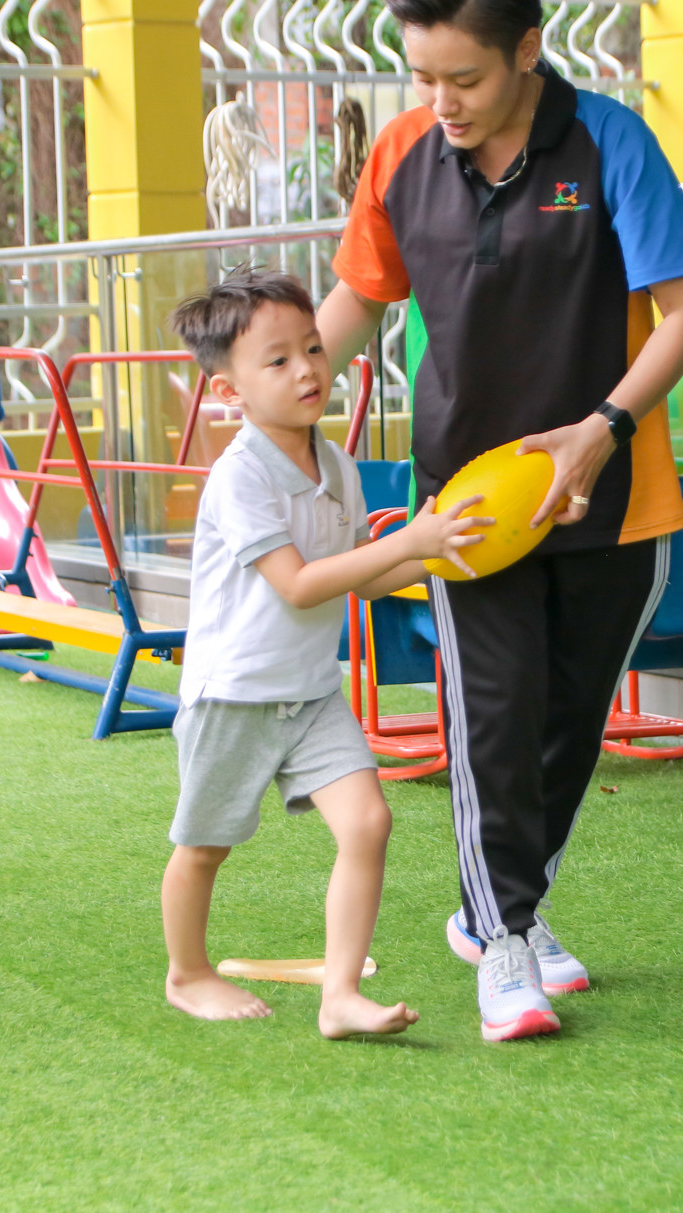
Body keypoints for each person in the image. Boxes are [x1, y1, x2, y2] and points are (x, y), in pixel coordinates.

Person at [319, 0, 683, 1042]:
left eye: (464, 78)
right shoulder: (403, 152)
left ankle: (498, 907)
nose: (440, 102)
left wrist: (601, 430)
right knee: (492, 717)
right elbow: (360, 296)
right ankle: (502, 943)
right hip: (466, 506)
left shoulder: (610, 144)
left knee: (568, 726)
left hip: (610, 495)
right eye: (422, 77)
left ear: (528, 51)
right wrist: (286, 389)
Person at [160, 269, 490, 1039]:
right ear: (228, 390)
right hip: (234, 694)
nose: (307, 369)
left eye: (312, 347)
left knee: (368, 822)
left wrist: (443, 558)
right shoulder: (240, 477)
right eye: (277, 360)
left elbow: (362, 579)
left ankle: (339, 995)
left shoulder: (336, 465)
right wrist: (407, 541)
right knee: (204, 848)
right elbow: (301, 584)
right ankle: (187, 973)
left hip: (311, 693)